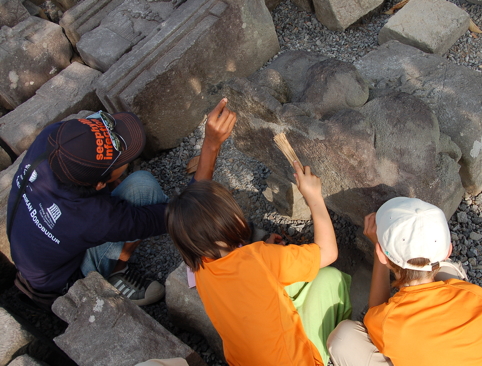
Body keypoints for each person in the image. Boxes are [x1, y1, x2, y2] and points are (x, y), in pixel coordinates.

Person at [8, 98, 236, 307]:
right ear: (99, 184)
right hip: (63, 282)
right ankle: (116, 272)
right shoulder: (93, 218)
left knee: (131, 184)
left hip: (34, 250)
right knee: (143, 188)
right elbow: (187, 213)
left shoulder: (52, 138)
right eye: (123, 157)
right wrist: (211, 144)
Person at [165, 162, 352, 366]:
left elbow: (245, 273)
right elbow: (328, 252)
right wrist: (314, 196)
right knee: (331, 278)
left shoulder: (200, 268)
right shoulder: (259, 257)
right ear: (231, 218)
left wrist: (265, 252)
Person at [327, 197, 482, 366]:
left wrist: (379, 251)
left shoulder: (388, 319)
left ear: (382, 255)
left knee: (344, 338)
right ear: (447, 251)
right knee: (448, 273)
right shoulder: (475, 295)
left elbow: (376, 313)